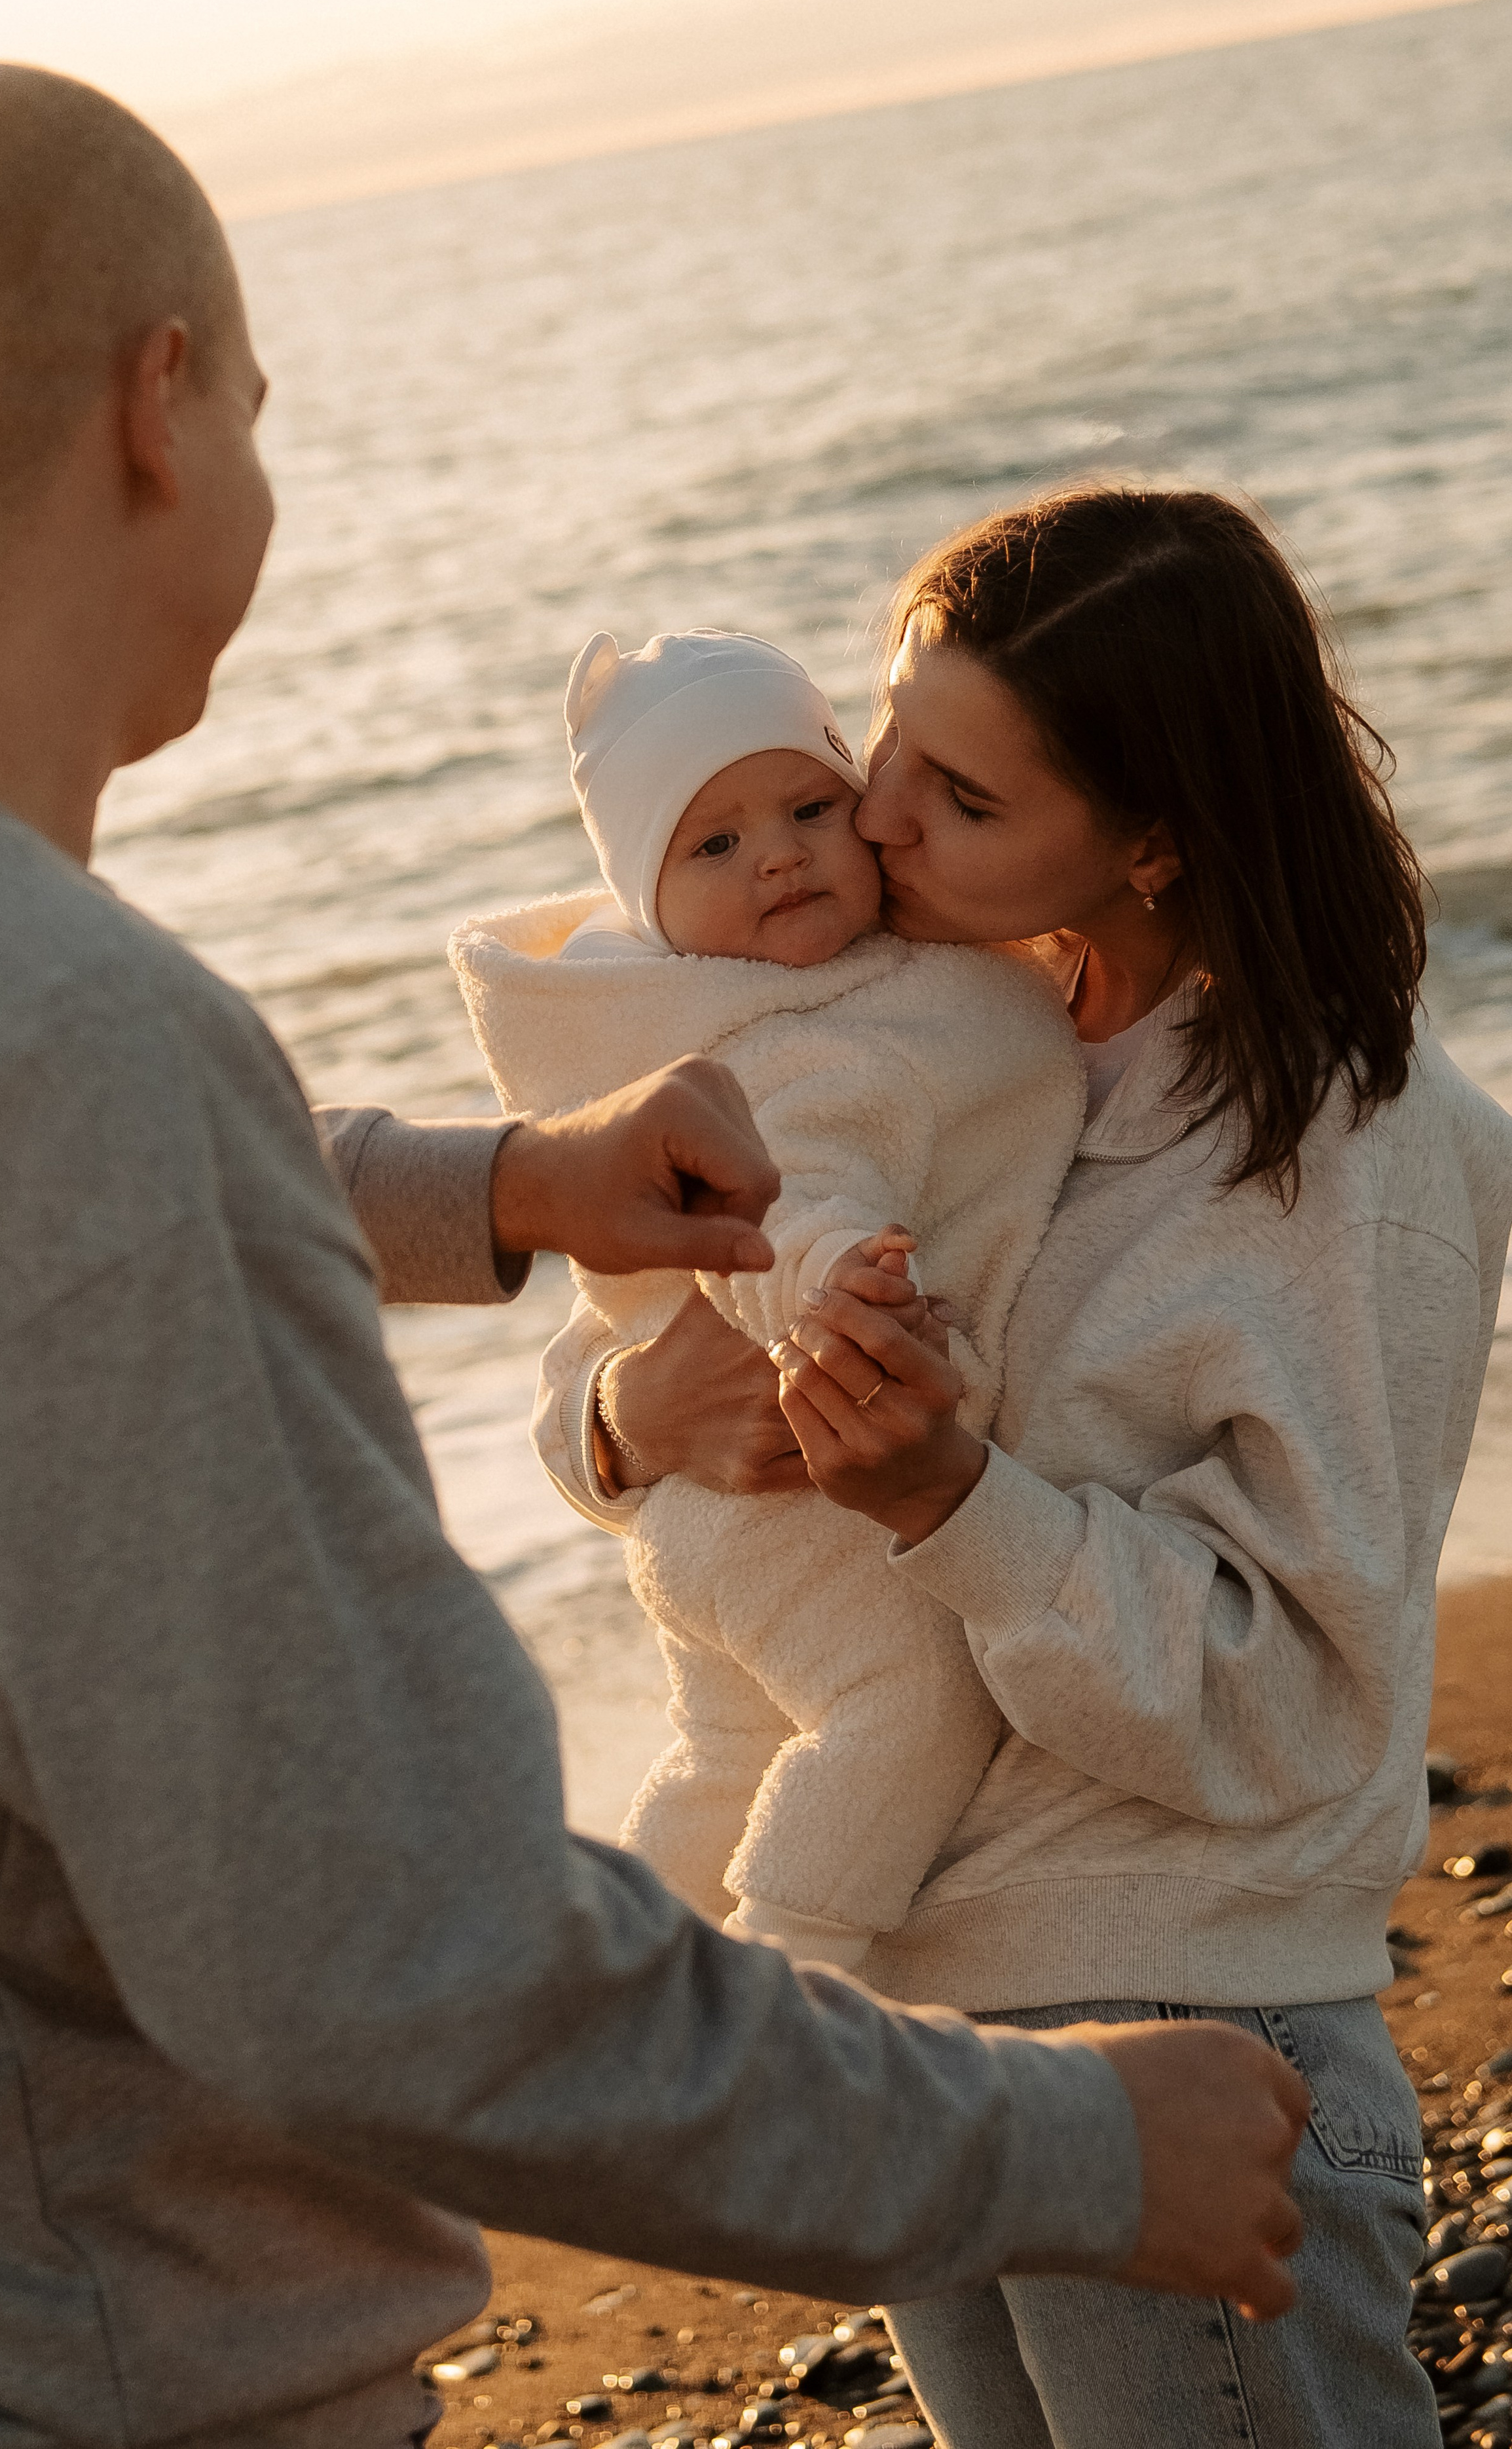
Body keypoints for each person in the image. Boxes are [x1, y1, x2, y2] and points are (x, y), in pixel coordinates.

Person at [0, 69, 1311, 2448]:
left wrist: (510, 1184)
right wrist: (1067, 2144)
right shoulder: (53, 1044)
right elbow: (378, 1951)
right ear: (161, 402)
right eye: (265, 415)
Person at [535, 487, 1512, 2447]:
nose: (874, 819)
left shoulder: (1362, 1164)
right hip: (925, 2050)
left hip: (1179, 2028)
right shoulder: (937, 1016)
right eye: (891, 739)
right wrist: (627, 1428)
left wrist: (944, 1500)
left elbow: (1289, 1699)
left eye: (961, 801)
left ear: (1151, 840)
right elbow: (650, 1295)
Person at [449, 624, 1083, 1973]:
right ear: (648, 901)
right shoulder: (796, 1043)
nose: (780, 856)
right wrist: (829, 1277)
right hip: (790, 1497)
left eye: (806, 808)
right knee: (907, 1707)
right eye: (713, 846)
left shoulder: (745, 1016)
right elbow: (789, 1193)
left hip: (703, 1521)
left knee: (725, 1759)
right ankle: (795, 1975)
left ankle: (620, 2001)